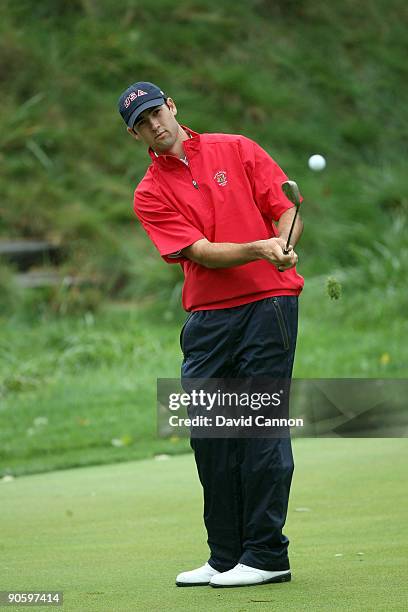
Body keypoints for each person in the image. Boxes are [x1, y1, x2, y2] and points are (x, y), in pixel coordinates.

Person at [118, 81, 304, 588]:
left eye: (156, 112)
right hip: (208, 319)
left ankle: (267, 555)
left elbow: (285, 206)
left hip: (269, 306)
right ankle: (225, 556)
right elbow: (199, 252)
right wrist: (261, 247)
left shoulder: (235, 148)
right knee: (210, 434)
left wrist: (282, 242)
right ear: (136, 136)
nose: (154, 124)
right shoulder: (149, 192)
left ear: (171, 107)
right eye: (142, 123)